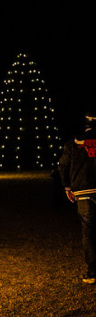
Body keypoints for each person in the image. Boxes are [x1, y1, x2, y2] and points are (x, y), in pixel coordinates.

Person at [58, 111, 96, 284]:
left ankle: (93, 271)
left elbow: (63, 166)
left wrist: (67, 186)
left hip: (83, 191)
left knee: (88, 233)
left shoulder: (72, 144)